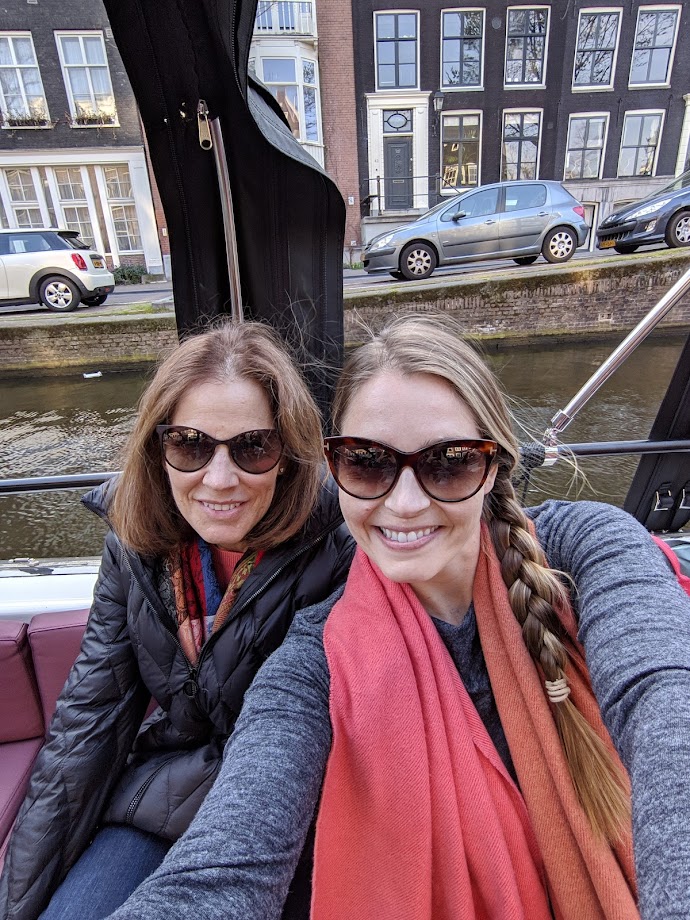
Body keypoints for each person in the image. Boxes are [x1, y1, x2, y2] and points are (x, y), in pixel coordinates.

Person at [106, 314, 690, 920]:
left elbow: (662, 699)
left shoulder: (586, 547)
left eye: (449, 463)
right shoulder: (318, 656)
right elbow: (231, 860)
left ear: (493, 465)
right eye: (367, 463)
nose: (405, 504)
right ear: (334, 469)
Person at [0, 321, 354, 920]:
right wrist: (18, 906)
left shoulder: (340, 545)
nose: (219, 479)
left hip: (293, 811)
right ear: (157, 450)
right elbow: (89, 722)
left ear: (288, 457)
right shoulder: (135, 547)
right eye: (190, 445)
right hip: (164, 791)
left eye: (253, 447)